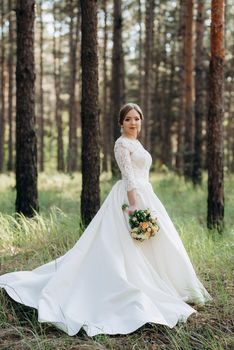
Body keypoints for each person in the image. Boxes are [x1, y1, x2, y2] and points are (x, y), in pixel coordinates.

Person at [0, 103, 212, 337]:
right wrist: (134, 209)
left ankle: (169, 284)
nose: (133, 123)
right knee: (125, 246)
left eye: (137, 119)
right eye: (129, 119)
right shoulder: (121, 144)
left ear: (141, 121)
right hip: (132, 198)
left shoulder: (136, 142)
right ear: (121, 123)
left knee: (157, 243)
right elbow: (129, 176)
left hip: (146, 195)